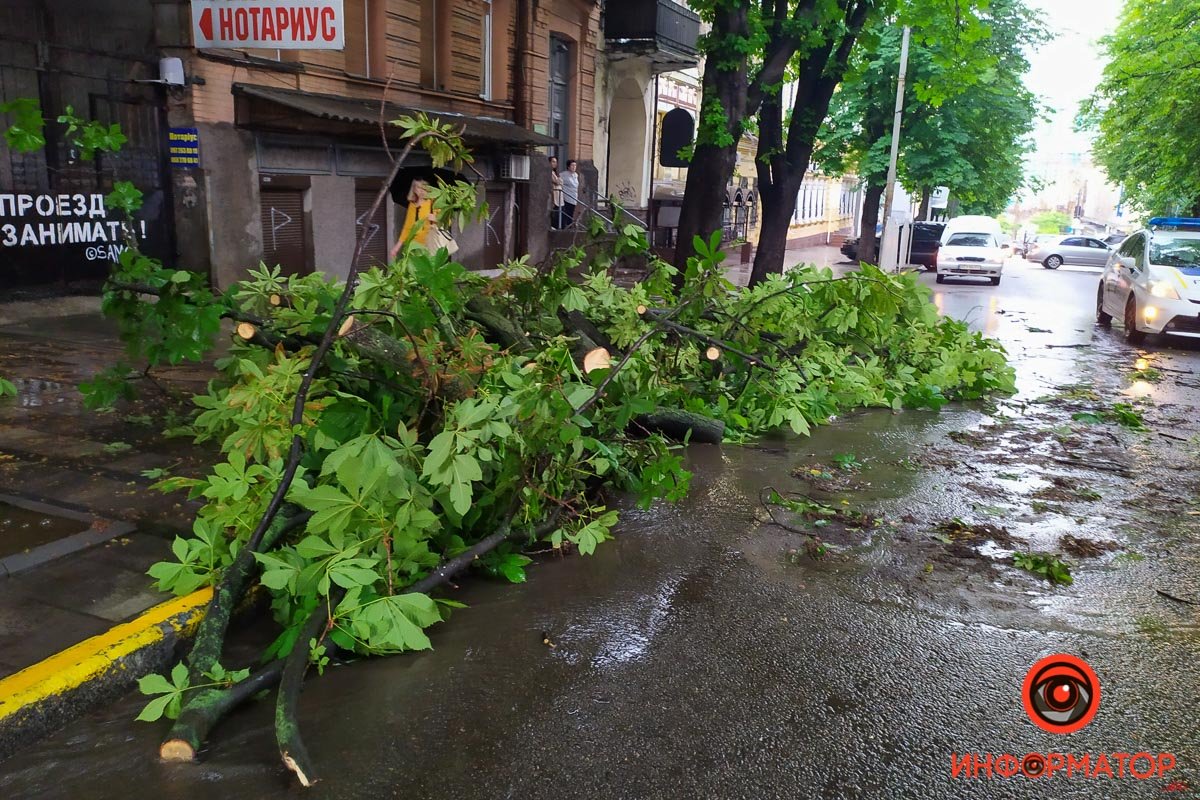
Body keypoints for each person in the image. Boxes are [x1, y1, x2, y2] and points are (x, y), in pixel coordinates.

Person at [389, 178, 446, 260]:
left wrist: (436, 219)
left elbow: (447, 221)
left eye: (424, 187)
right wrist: (396, 248)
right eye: (418, 187)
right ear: (414, 189)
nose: (422, 191)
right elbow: (407, 228)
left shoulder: (434, 202)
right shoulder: (412, 205)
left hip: (430, 244)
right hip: (414, 246)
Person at [560, 159, 580, 228]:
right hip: (567, 197)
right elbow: (559, 181)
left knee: (571, 213)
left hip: (574, 197)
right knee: (567, 212)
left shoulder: (576, 175)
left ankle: (569, 226)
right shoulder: (564, 174)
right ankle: (566, 226)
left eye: (575, 165)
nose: (574, 167)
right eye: (572, 165)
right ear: (568, 166)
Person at [549, 156, 564, 229]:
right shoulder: (550, 172)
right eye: (553, 161)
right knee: (555, 212)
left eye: (556, 162)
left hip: (559, 195)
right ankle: (554, 226)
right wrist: (559, 181)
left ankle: (558, 226)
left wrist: (559, 181)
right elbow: (557, 181)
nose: (555, 163)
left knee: (559, 211)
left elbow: (561, 181)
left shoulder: (555, 173)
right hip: (554, 194)